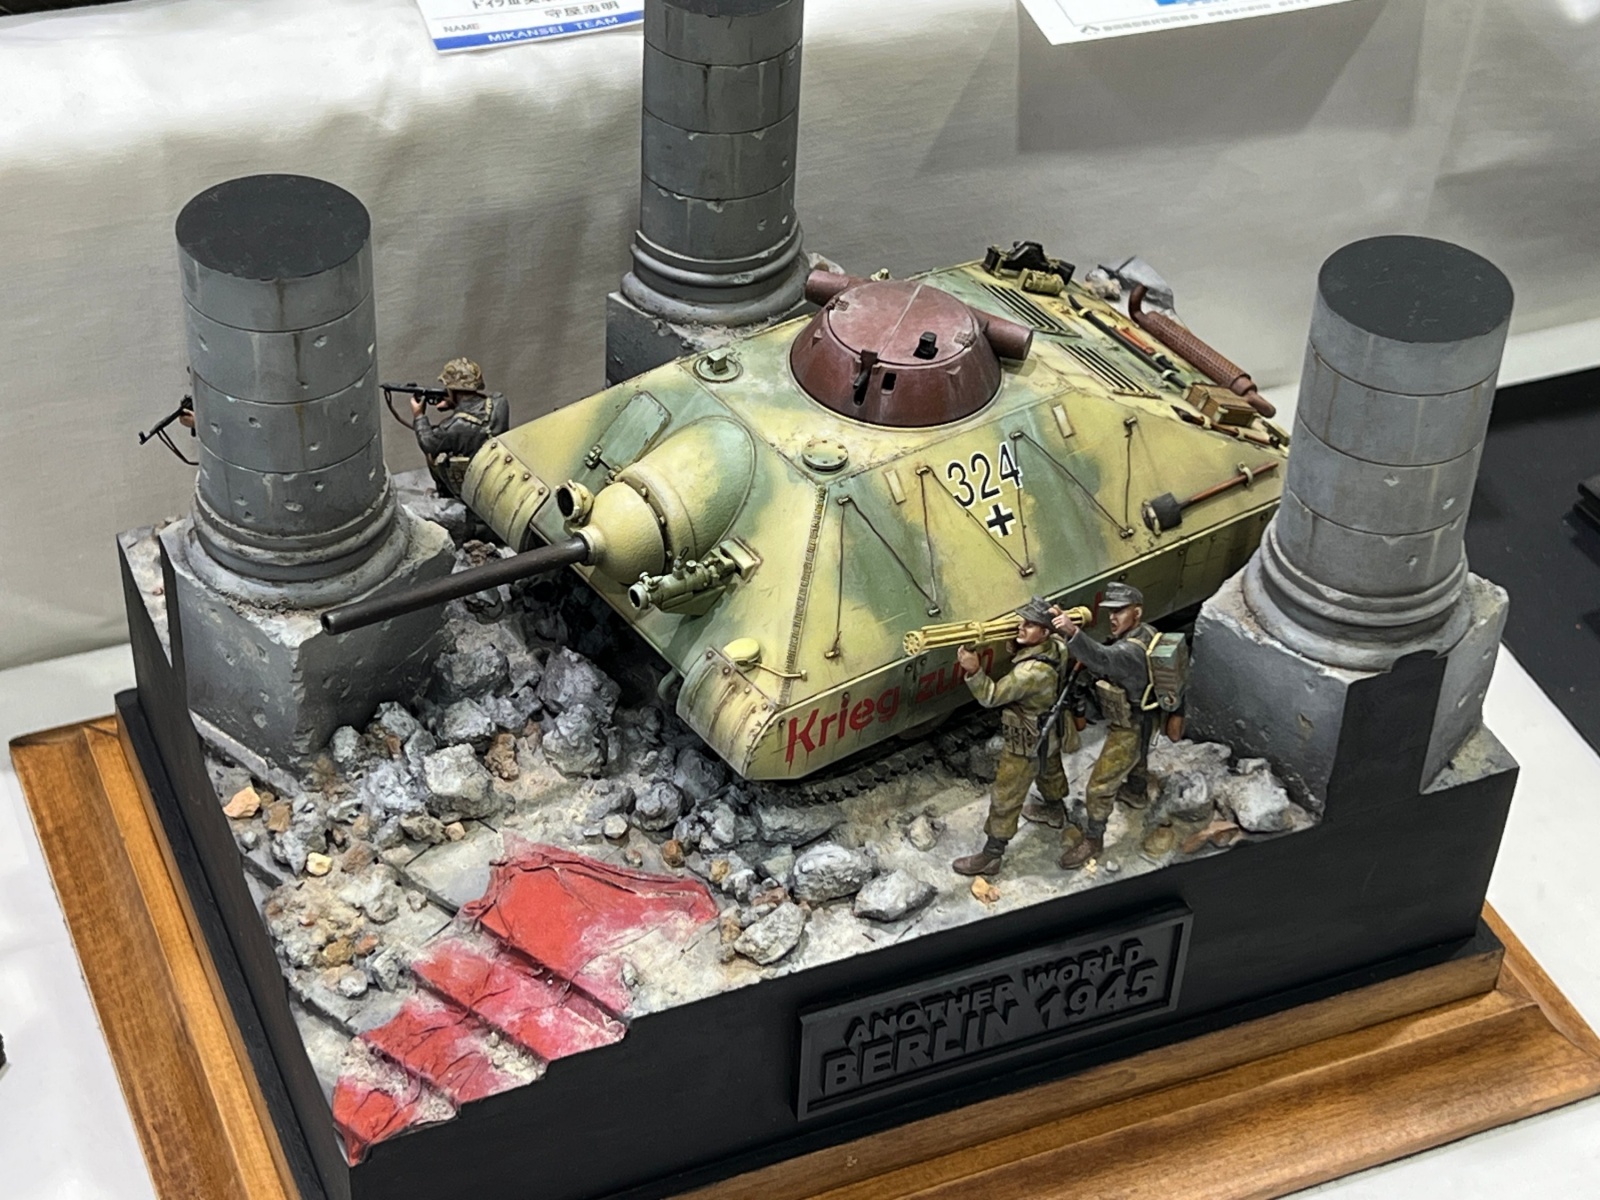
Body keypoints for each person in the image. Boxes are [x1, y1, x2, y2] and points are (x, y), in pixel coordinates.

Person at [1043, 581, 1161, 869]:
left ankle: (1094, 839)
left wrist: (1073, 632)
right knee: (1137, 757)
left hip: (1131, 723)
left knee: (1099, 786)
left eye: (1120, 611)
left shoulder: (1130, 651)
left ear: (1136, 613)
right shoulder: (1146, 633)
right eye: (1111, 611)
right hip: (1146, 714)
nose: (1113, 617)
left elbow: (1104, 657)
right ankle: (1136, 791)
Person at [950, 597, 1070, 877]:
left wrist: (974, 670)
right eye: (1022, 622)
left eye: (1030, 625)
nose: (1021, 627)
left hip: (1026, 740)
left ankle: (991, 855)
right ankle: (1055, 809)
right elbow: (1059, 641)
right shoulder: (1058, 647)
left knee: (1006, 794)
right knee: (1049, 770)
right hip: (1049, 729)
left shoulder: (1029, 673)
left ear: (1045, 632)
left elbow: (991, 697)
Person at [411, 358, 510, 499]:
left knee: (434, 457)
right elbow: (479, 405)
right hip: (499, 469)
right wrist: (455, 404)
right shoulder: (500, 403)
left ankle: (446, 494)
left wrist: (419, 416)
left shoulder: (454, 426)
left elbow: (428, 443)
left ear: (452, 390)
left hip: (475, 481)